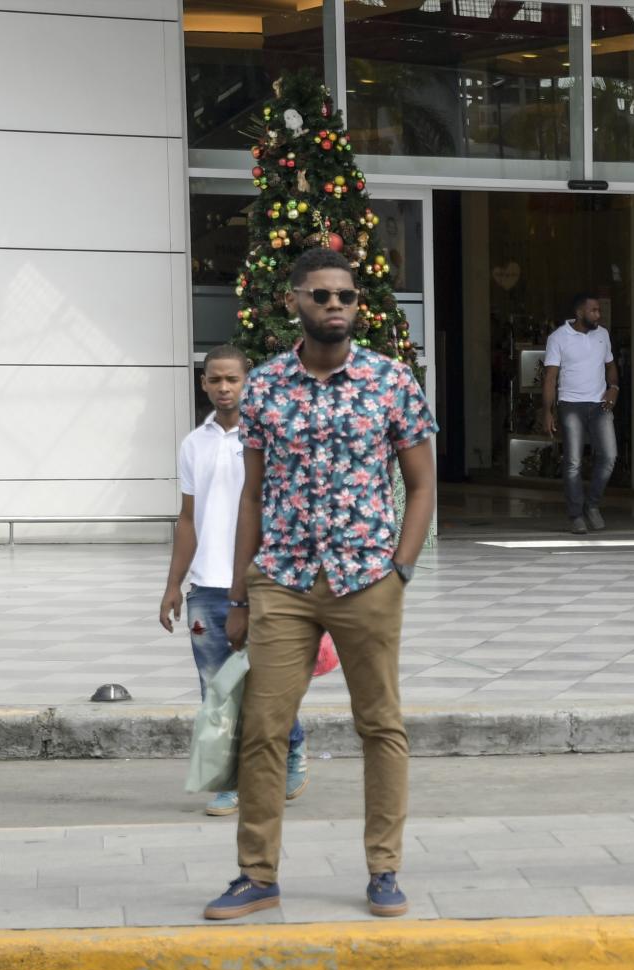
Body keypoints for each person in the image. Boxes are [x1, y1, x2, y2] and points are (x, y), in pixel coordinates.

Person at [203, 247, 438, 922]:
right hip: (281, 579)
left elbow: (421, 485)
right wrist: (241, 593)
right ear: (295, 302)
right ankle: (256, 874)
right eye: (321, 294)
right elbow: (252, 496)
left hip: (367, 578)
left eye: (346, 296)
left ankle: (384, 868)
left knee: (381, 724)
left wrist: (400, 570)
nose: (335, 304)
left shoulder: (391, 381)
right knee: (263, 727)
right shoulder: (267, 386)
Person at [159, 346, 308, 818]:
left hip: (264, 583)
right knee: (216, 690)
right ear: (203, 383)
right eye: (214, 380)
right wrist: (172, 585)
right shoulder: (192, 444)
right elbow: (187, 519)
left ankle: (294, 752)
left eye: (232, 380)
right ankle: (232, 782)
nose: (223, 388)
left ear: (248, 382)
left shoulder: (270, 438)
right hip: (206, 588)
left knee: (269, 685)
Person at [540, 293, 620, 536]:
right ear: (579, 312)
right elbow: (551, 377)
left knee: (609, 456)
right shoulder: (558, 338)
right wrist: (547, 412)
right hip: (570, 405)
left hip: (599, 405)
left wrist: (614, 388)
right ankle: (575, 515)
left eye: (599, 310)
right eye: (594, 310)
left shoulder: (603, 334)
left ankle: (592, 504)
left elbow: (610, 366)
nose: (598, 314)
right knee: (573, 462)